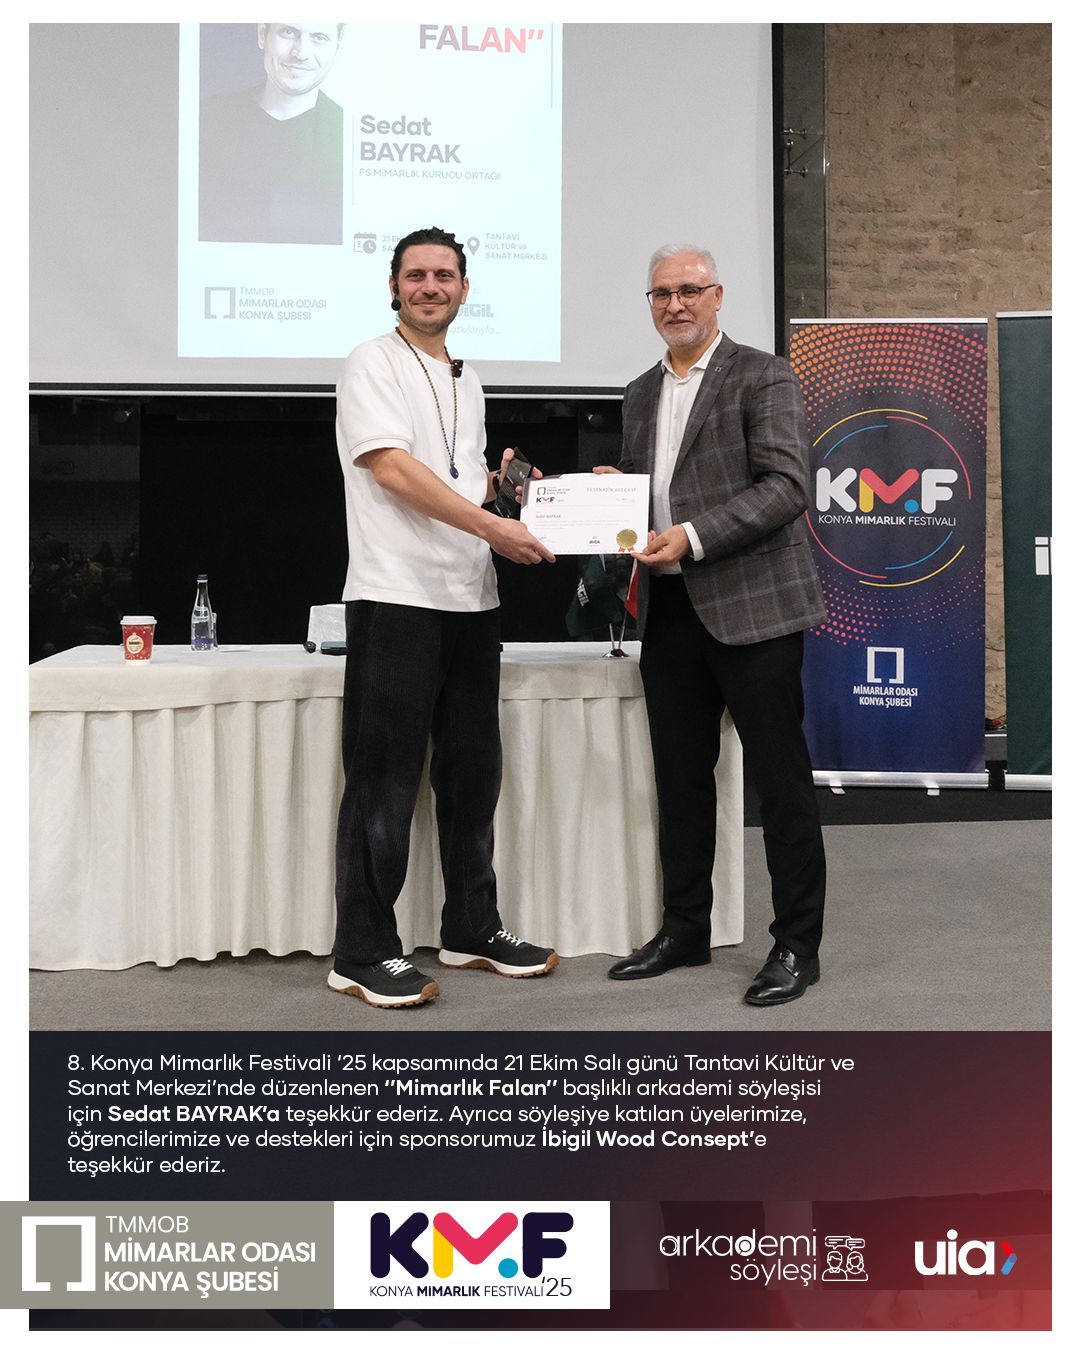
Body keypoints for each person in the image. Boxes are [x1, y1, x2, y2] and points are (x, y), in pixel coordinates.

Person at [329, 225, 559, 1008]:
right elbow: (391, 468)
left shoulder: (468, 377)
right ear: (394, 287)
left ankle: (470, 927)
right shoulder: (372, 361)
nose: (431, 286)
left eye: (444, 275)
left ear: (464, 288)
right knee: (384, 780)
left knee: (471, 775)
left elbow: (457, 479)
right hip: (397, 596)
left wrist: (507, 489)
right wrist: (493, 525)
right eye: (416, 275)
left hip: (472, 600)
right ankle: (361, 950)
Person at [603, 245, 827, 1006]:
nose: (676, 304)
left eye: (690, 290)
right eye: (662, 293)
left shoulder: (763, 375)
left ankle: (796, 946)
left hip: (755, 608)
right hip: (668, 611)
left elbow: (786, 487)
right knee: (681, 782)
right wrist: (614, 497)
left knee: (780, 784)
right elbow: (653, 496)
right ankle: (684, 929)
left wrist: (693, 536)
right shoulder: (639, 393)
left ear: (718, 295)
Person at [199, 23, 344, 244]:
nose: (300, 53)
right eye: (288, 32)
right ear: (262, 34)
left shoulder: (349, 135)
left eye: (319, 37)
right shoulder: (209, 117)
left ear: (337, 46)